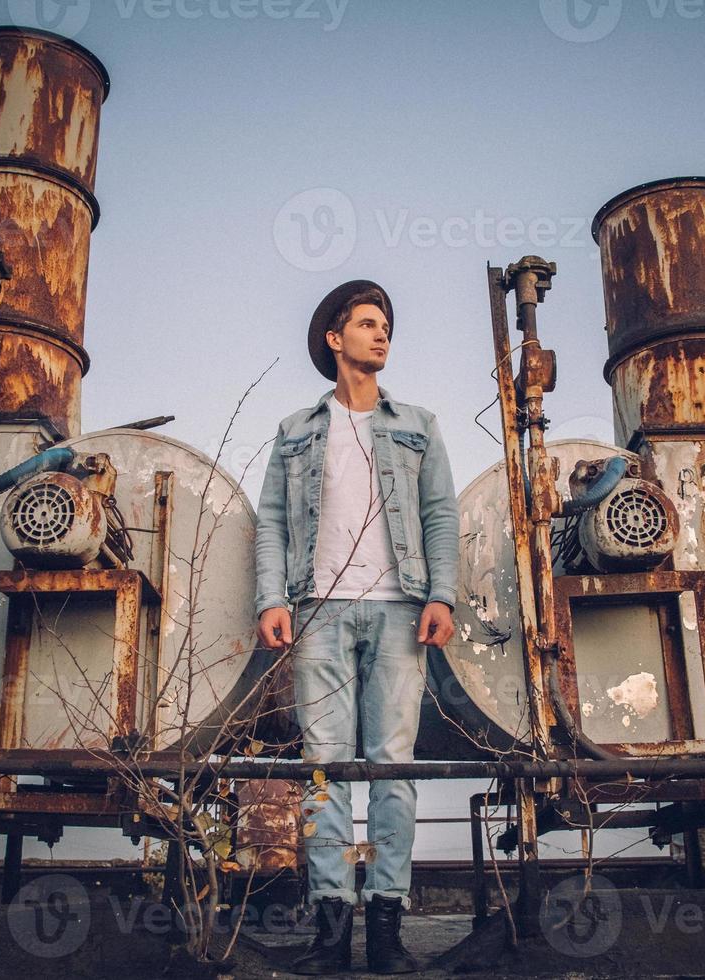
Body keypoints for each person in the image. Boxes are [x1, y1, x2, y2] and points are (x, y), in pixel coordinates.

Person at [254, 279, 459, 975]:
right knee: (326, 774)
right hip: (318, 610)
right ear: (335, 339)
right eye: (368, 325)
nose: (383, 336)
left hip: (402, 608)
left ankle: (389, 933)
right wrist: (270, 600)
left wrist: (444, 595)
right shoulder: (295, 432)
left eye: (387, 327)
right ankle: (332, 934)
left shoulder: (418, 425)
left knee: (392, 770)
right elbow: (274, 523)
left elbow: (440, 516)